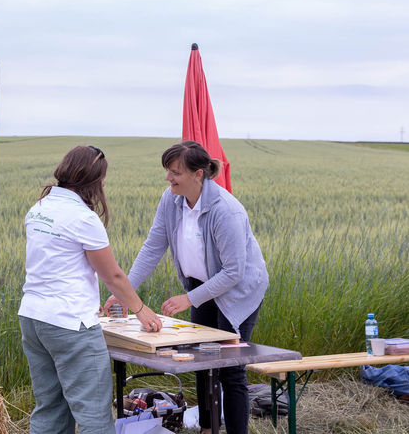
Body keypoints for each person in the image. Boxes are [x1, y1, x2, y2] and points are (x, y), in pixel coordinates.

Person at [105, 141, 268, 434]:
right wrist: (123, 291)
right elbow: (152, 247)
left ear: (199, 174)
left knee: (230, 371)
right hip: (200, 287)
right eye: (168, 171)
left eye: (175, 172)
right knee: (203, 365)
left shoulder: (226, 211)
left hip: (237, 292)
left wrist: (187, 299)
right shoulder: (171, 200)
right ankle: (208, 429)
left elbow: (233, 272)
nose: (169, 178)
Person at [18, 145, 162, 434]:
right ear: (93, 181)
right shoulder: (84, 218)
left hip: (33, 318)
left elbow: (58, 264)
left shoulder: (40, 208)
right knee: (94, 415)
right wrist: (141, 310)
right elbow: (113, 276)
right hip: (70, 324)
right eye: (102, 178)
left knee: (50, 409)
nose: (104, 184)